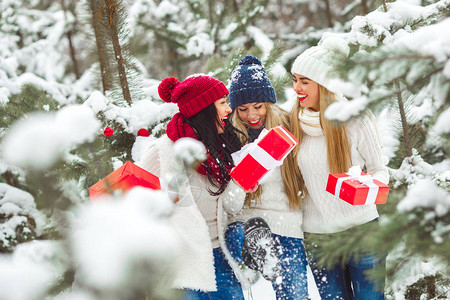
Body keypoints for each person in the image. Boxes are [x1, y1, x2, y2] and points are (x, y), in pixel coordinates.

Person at [289, 37, 389, 299]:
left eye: (304, 81)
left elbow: (381, 170)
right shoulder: (292, 125)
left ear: (323, 85)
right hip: (318, 239)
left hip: (361, 231)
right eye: (294, 79)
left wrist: (363, 186)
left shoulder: (354, 120)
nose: (296, 87)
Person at [139, 75, 252, 299]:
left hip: (220, 258)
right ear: (204, 109)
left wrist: (243, 183)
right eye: (222, 103)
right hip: (182, 265)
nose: (229, 109)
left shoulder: (220, 147)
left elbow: (229, 205)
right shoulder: (163, 152)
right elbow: (138, 199)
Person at [225, 55, 309, 299]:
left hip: (286, 224)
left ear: (269, 104)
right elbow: (230, 202)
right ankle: (259, 251)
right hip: (247, 221)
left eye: (258, 107)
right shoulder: (229, 136)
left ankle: (270, 259)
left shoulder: (287, 127)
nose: (251, 115)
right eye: (242, 109)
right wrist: (242, 179)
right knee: (238, 233)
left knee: (295, 295)